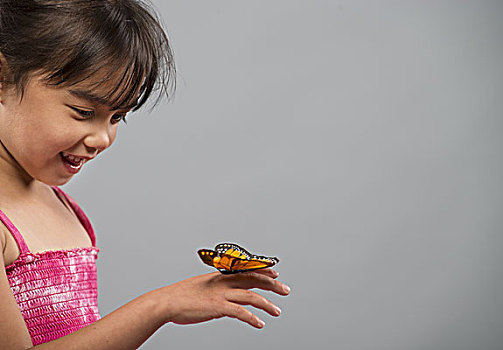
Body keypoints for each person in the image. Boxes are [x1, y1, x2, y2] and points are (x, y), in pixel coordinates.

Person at [0, 0, 291, 348]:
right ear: (2, 80)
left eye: (117, 117)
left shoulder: (63, 208)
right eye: (83, 111)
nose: (102, 139)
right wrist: (159, 305)